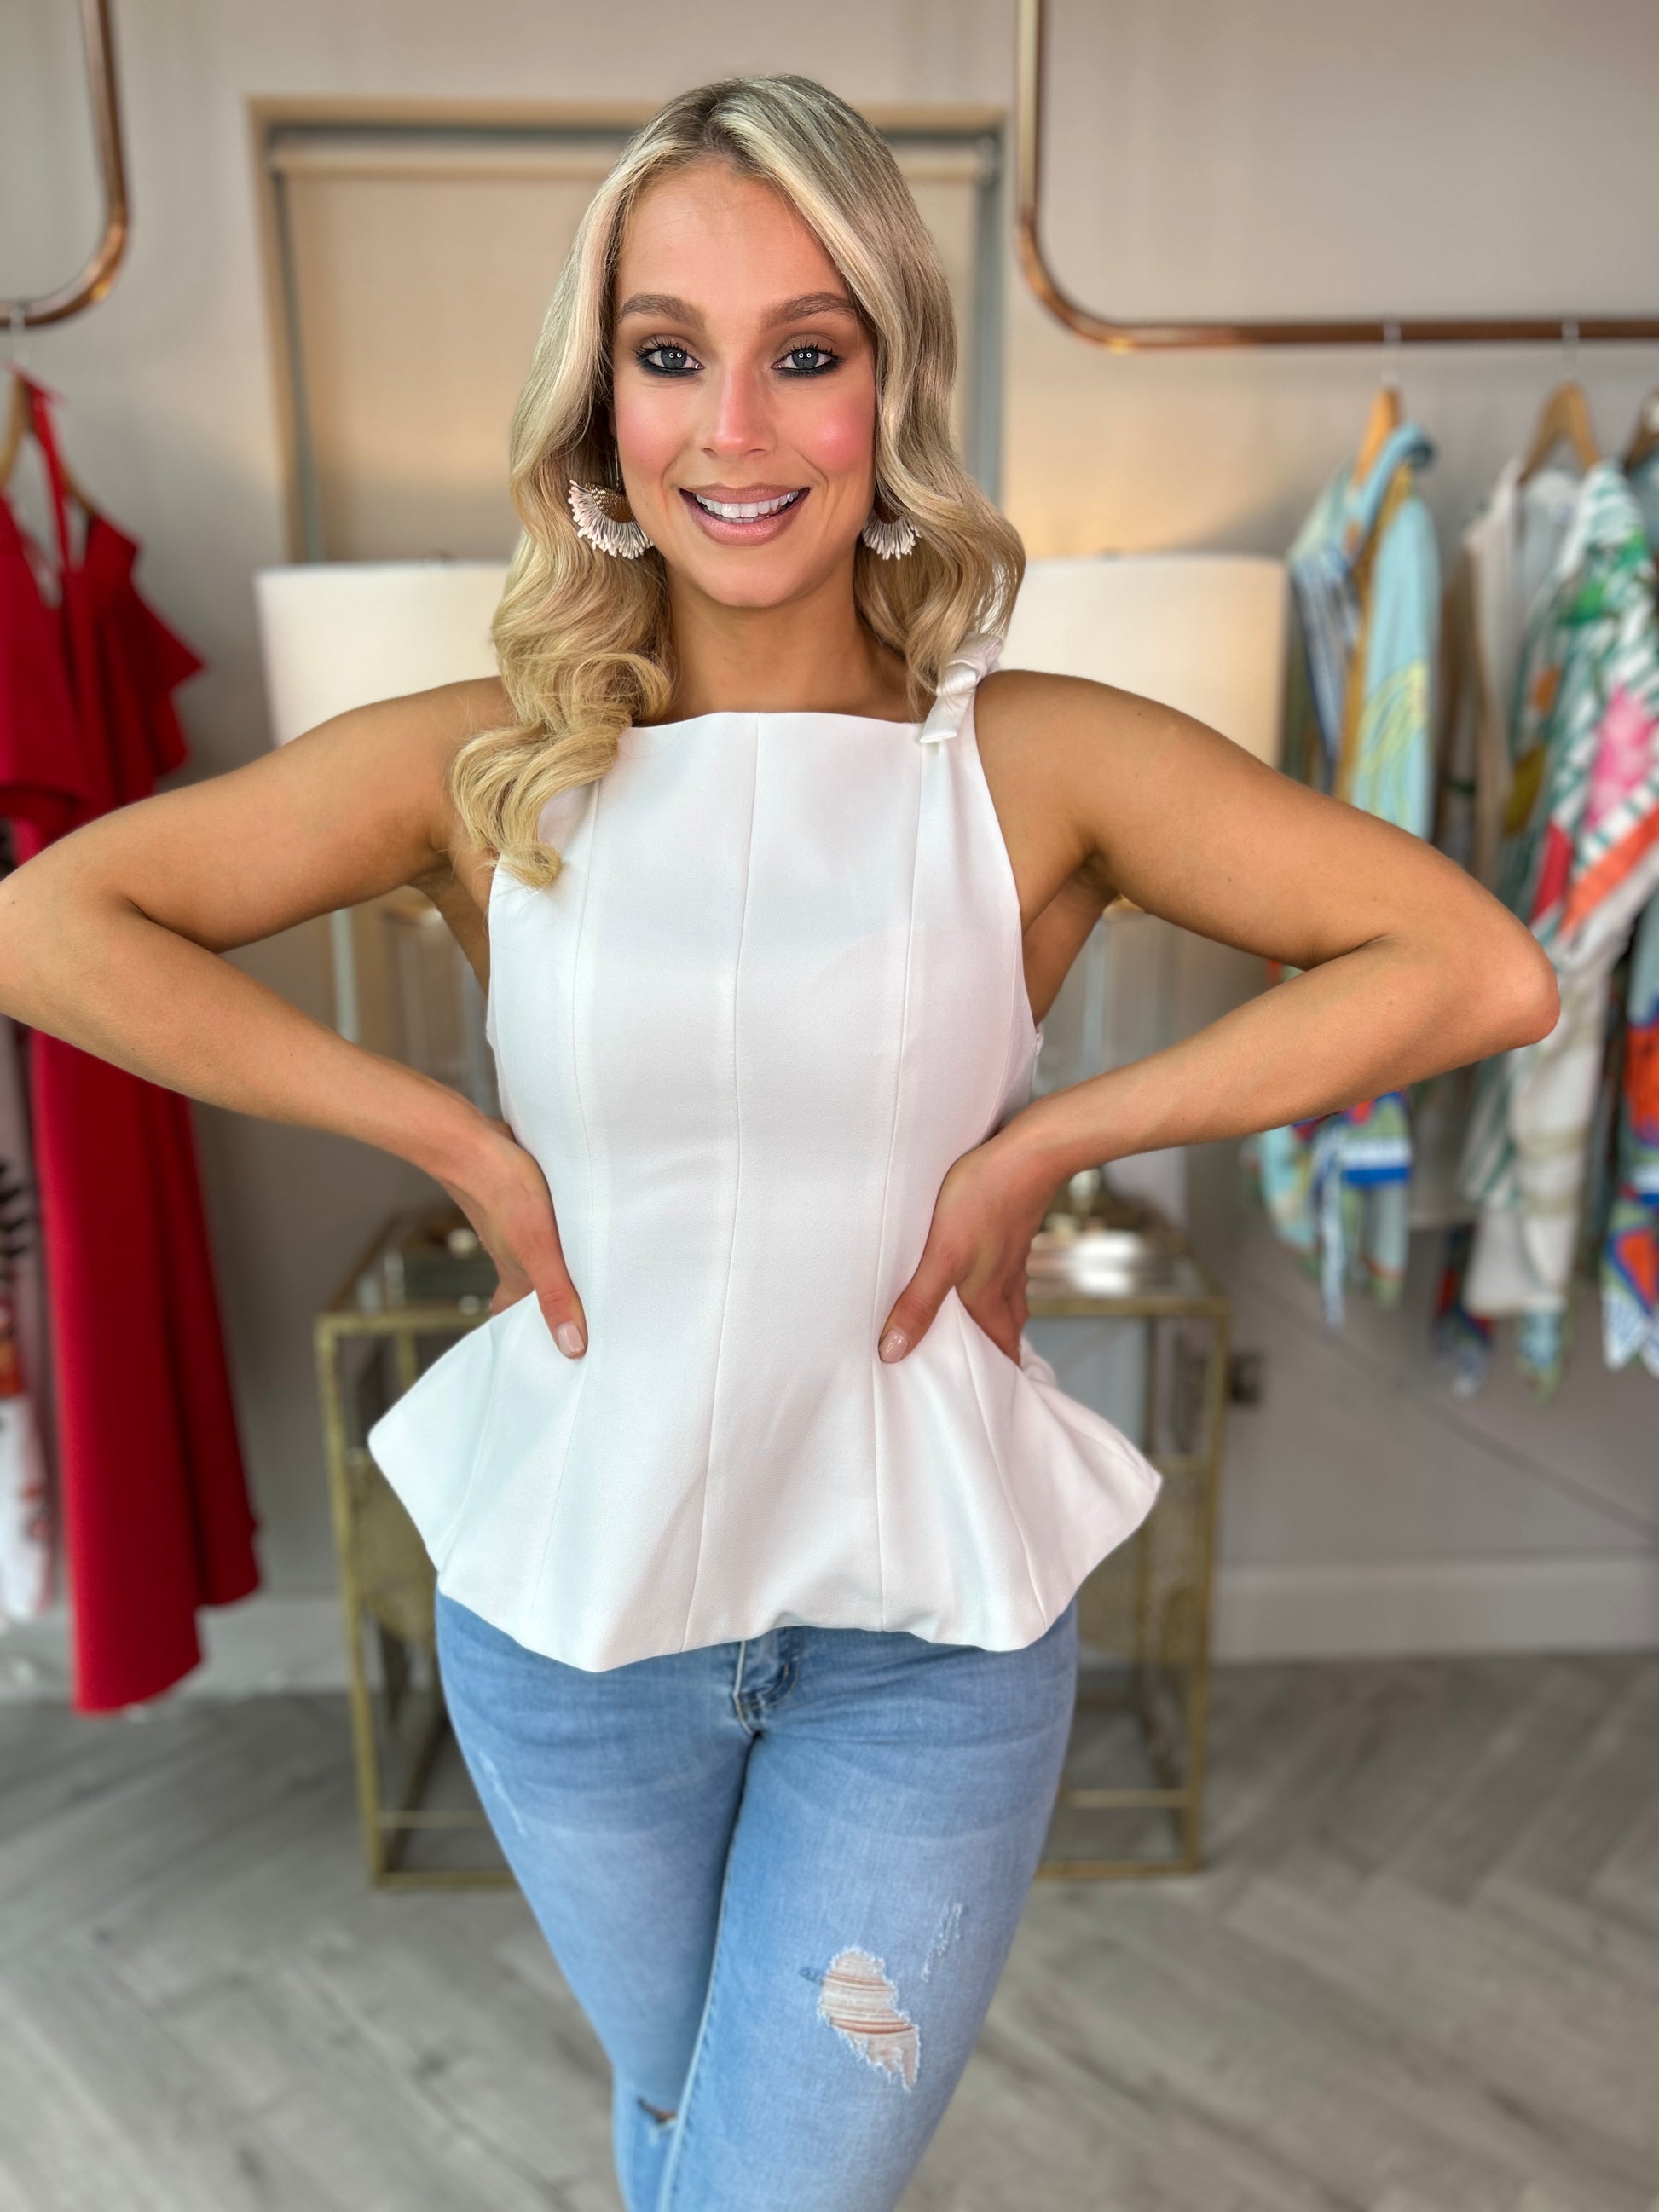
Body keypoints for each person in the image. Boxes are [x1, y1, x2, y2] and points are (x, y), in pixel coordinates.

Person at [0, 73, 1556, 2212]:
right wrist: (442, 1132)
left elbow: (1475, 966)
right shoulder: (489, 762)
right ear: (601, 403)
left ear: (888, 383)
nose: (732, 427)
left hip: (926, 1647)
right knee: (700, 2135)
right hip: (574, 1634)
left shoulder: (1030, 759)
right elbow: (50, 922)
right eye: (670, 353)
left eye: (804, 352)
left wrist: (1048, 1141)